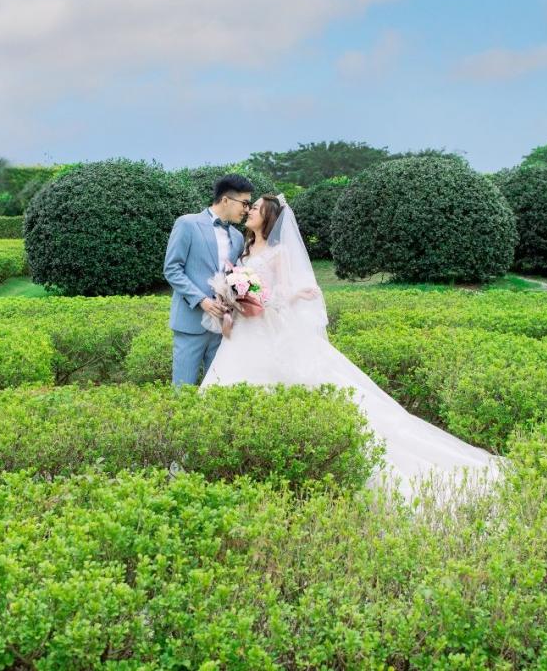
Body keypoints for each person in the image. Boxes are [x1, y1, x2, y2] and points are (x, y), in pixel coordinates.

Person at [200, 193, 505, 501]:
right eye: (248, 207)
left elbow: (281, 292)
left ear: (268, 218)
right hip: (242, 331)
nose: (249, 211)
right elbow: (240, 283)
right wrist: (230, 295)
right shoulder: (245, 247)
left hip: (268, 328)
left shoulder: (279, 253)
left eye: (255, 209)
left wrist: (273, 297)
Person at [163, 174, 252, 386]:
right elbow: (172, 269)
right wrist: (202, 300)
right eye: (245, 203)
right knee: (182, 391)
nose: (247, 209)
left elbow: (233, 276)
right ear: (226, 200)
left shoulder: (238, 238)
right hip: (190, 322)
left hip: (223, 326)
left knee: (217, 390)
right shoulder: (187, 224)